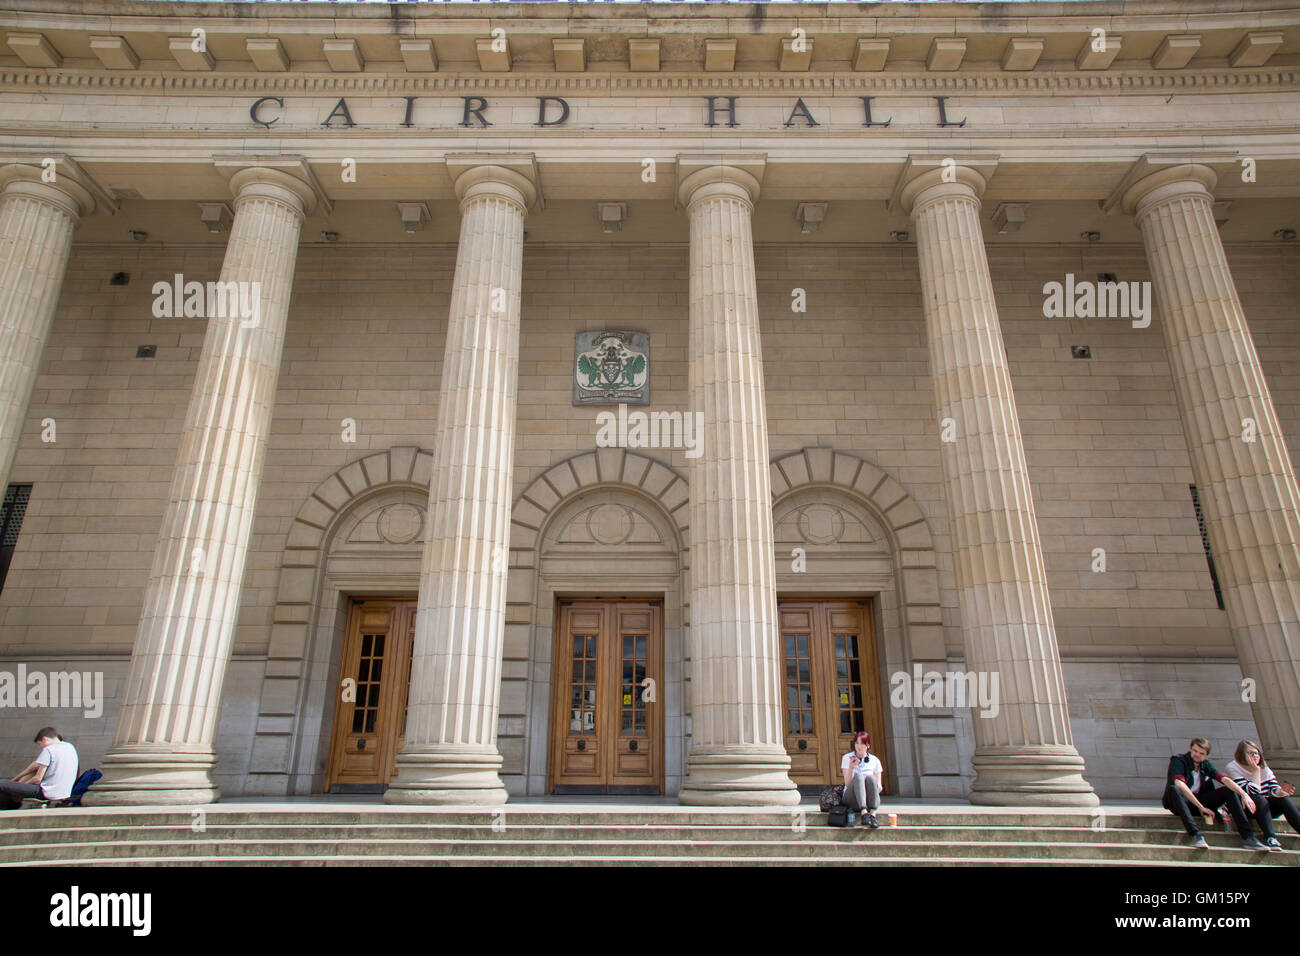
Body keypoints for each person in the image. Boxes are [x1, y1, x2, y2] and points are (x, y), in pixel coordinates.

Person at [1162, 737, 1267, 852]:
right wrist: (1201, 807)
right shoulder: (1179, 760)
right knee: (1174, 789)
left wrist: (1244, 794)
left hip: (1198, 802)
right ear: (1190, 749)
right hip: (1180, 803)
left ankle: (1248, 837)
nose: (1197, 755)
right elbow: (1180, 784)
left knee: (1228, 790)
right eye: (1194, 751)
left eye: (1201, 753)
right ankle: (1196, 835)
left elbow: (1224, 779)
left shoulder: (1205, 764)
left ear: (1206, 756)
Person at [1225, 739, 1299, 851]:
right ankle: (1271, 838)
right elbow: (1252, 792)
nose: (1255, 756)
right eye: (1250, 753)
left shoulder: (1265, 769)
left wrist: (1282, 791)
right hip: (1246, 809)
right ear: (1241, 754)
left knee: (1283, 799)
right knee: (1258, 798)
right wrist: (1255, 771)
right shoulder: (1233, 767)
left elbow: (1274, 789)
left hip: (1265, 809)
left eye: (1256, 753)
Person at [0, 727, 78, 810]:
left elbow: (37, 779)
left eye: (40, 744)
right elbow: (31, 769)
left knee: (2, 784)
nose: (40, 747)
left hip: (47, 792)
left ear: (45, 739)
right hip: (64, 792)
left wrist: (21, 786)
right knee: (9, 786)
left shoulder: (49, 750)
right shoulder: (70, 747)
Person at [841, 730, 884, 829]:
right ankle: (864, 812)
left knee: (870, 778)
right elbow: (847, 784)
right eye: (856, 743)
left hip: (869, 799)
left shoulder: (875, 761)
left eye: (862, 743)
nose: (858, 746)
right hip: (851, 798)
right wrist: (851, 768)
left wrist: (873, 790)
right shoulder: (847, 758)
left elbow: (879, 786)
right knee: (859, 776)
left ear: (867, 745)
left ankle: (872, 815)